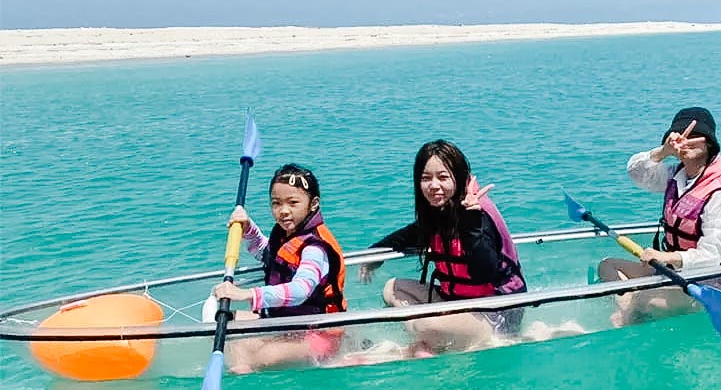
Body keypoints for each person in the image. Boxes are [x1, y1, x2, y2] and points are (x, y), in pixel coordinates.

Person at [358, 140, 527, 354]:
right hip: (456, 302)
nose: (434, 185)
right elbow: (411, 234)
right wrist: (375, 254)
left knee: (425, 324)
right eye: (426, 178)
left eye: (443, 177)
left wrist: (471, 223)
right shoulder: (441, 211)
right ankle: (432, 342)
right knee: (392, 288)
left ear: (459, 177)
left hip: (496, 310)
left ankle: (425, 343)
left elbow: (484, 271)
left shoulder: (479, 214)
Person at [600, 107, 721, 324]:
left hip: (710, 284)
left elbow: (711, 257)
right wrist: (663, 151)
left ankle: (629, 313)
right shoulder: (677, 176)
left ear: (708, 142)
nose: (684, 141)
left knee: (645, 301)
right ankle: (628, 308)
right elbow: (637, 173)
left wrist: (665, 257)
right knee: (607, 265)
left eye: (692, 137)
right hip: (670, 272)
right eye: (679, 136)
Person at [213, 163, 347, 373]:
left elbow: (300, 290)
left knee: (266, 357)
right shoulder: (285, 236)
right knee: (228, 325)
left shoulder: (315, 248)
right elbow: (267, 253)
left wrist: (248, 294)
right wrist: (248, 228)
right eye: (276, 203)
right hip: (288, 323)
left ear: (313, 204)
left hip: (320, 333)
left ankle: (248, 376)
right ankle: (242, 375)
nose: (283, 211)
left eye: (293, 203)